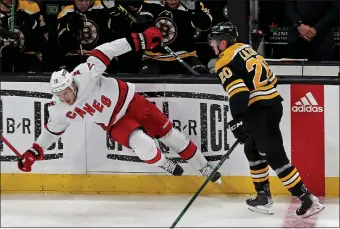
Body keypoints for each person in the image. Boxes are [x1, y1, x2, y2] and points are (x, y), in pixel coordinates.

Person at [17, 27, 221, 184]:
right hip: (114, 123)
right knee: (145, 146)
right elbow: (51, 132)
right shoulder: (58, 108)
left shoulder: (85, 73)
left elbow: (107, 49)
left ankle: (204, 167)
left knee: (172, 136)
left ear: (71, 83)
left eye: (66, 92)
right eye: (59, 94)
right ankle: (163, 163)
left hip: (131, 102)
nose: (64, 97)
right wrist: (34, 151)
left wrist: (139, 39)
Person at [208, 21, 324, 218]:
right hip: (271, 104)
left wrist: (237, 119)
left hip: (259, 109)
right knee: (252, 148)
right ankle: (263, 196)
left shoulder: (224, 60)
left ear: (224, 42)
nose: (213, 45)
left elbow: (239, 93)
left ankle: (306, 197)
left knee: (273, 154)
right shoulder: (246, 49)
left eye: (215, 41)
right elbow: (271, 79)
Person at [135, 0, 212, 74]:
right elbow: (141, 21)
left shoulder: (192, 4)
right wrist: (146, 23)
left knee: (201, 75)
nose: (173, 1)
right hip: (153, 57)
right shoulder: (151, 3)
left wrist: (195, 11)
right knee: (147, 79)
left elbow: (205, 25)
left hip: (185, 55)